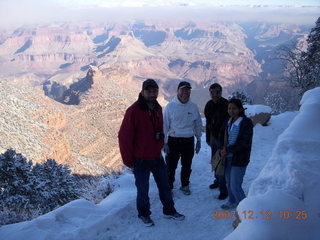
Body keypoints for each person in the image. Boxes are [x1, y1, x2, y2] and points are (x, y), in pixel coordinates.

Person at [118, 79, 185, 227]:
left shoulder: (157, 108)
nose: (152, 93)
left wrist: (161, 144)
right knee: (143, 190)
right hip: (140, 159)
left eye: (154, 90)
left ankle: (169, 210)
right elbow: (124, 137)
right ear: (142, 92)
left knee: (165, 186)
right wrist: (129, 161)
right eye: (148, 91)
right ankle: (144, 214)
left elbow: (160, 129)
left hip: (156, 156)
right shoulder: (133, 111)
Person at [163, 81, 202, 195]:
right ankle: (169, 187)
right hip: (173, 140)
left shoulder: (193, 107)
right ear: (177, 91)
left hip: (188, 140)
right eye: (182, 90)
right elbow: (165, 125)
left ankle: (185, 185)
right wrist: (165, 142)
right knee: (170, 166)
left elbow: (198, 124)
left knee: (187, 166)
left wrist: (198, 139)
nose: (185, 92)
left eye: (187, 90)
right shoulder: (170, 106)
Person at [219, 98, 253, 210]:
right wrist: (222, 148)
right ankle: (232, 200)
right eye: (229, 108)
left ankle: (244, 208)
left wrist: (228, 149)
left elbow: (244, 143)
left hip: (239, 158)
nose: (231, 110)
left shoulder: (245, 123)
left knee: (235, 184)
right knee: (229, 181)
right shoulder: (229, 121)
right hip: (228, 157)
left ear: (240, 109)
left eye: (234, 108)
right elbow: (223, 137)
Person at [204, 83, 229, 200]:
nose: (215, 94)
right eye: (212, 92)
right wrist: (208, 137)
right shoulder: (208, 105)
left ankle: (224, 190)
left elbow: (229, 122)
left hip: (223, 138)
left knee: (222, 163)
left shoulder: (226, 104)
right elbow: (208, 123)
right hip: (214, 137)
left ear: (221, 92)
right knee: (215, 160)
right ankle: (217, 181)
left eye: (217, 92)